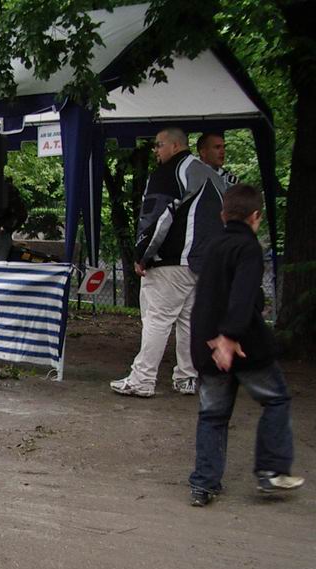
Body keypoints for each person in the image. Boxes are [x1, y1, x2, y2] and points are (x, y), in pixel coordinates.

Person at [187, 184, 303, 506]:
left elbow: (207, 298)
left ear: (224, 215)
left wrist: (209, 343)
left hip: (207, 344)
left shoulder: (212, 247)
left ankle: (204, 484)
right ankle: (271, 471)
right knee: (276, 399)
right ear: (256, 217)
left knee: (212, 414)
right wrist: (230, 336)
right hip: (243, 345)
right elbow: (242, 295)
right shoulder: (249, 248)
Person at [110, 127, 227, 398]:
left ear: (175, 146)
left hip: (173, 262)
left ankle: (142, 379)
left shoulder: (169, 172)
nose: (155, 151)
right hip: (205, 263)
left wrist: (142, 255)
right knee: (188, 320)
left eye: (159, 145)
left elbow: (159, 217)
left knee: (157, 318)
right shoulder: (212, 175)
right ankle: (187, 377)